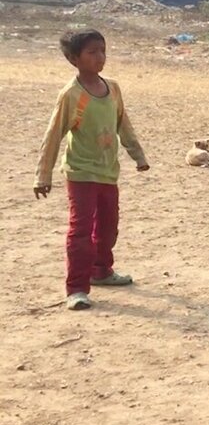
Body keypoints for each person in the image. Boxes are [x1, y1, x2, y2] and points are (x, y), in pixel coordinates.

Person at [34, 30, 149, 311]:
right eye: (92, 52)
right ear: (74, 59)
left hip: (108, 172)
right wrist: (43, 174)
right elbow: (54, 134)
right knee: (81, 231)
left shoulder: (113, 88)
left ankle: (101, 271)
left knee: (108, 228)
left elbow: (123, 123)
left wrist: (138, 155)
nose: (100, 57)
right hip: (81, 172)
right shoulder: (72, 95)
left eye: (102, 50)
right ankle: (76, 288)